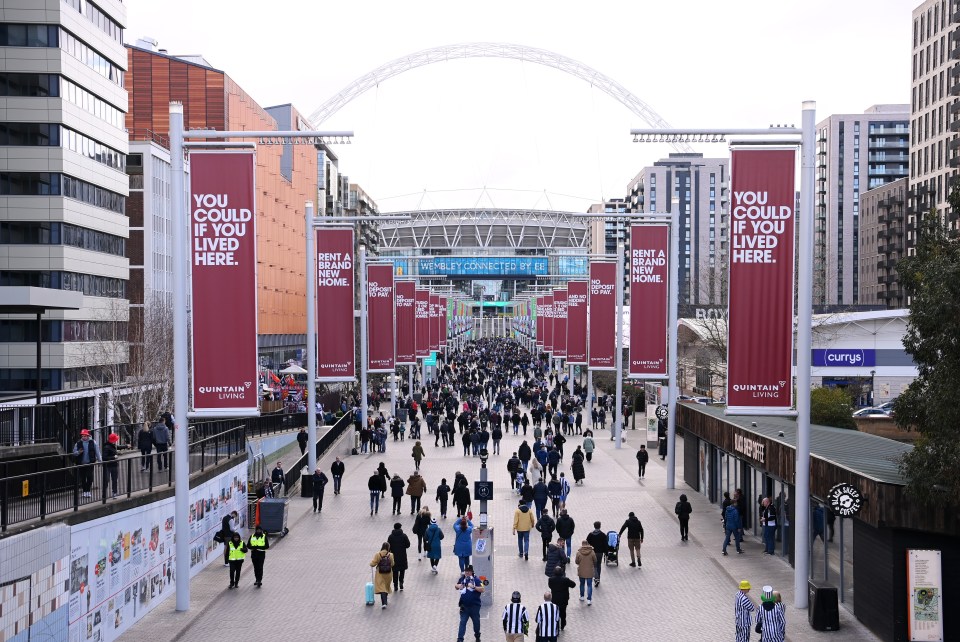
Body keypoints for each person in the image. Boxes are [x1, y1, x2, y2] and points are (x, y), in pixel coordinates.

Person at [455, 564, 484, 642]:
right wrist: (458, 586)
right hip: (464, 607)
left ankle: (477, 635)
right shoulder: (462, 579)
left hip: (474, 607)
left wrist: (474, 587)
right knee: (462, 623)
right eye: (466, 571)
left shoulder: (477, 580)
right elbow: (456, 586)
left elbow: (482, 589)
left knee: (476, 623)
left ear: (472, 572)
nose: (467, 573)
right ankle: (460, 639)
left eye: (469, 571)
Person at [72, 429, 101, 498]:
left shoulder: (93, 442)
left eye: (85, 436)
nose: (84, 437)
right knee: (83, 478)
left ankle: (88, 491)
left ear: (88, 436)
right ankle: (85, 491)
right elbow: (74, 453)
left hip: (90, 463)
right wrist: (79, 452)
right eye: (82, 436)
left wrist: (100, 461)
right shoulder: (78, 443)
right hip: (81, 463)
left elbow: (97, 452)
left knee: (89, 477)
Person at [546, 567, 576, 632]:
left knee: (555, 612)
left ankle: (556, 625)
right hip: (563, 599)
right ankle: (562, 624)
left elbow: (550, 586)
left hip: (554, 599)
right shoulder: (565, 579)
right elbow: (573, 585)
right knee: (563, 612)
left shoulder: (551, 579)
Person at [369, 542, 394, 608]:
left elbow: (373, 563)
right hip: (388, 574)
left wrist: (371, 564)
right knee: (386, 586)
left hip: (380, 573)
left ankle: (384, 603)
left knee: (381, 587)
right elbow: (392, 564)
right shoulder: (390, 555)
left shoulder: (378, 554)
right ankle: (385, 600)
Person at [387, 523, 411, 592]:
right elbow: (408, 545)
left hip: (393, 557)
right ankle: (401, 582)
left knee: (395, 571)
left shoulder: (390, 536)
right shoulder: (404, 536)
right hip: (402, 556)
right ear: (400, 528)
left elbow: (388, 547)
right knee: (402, 570)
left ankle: (395, 585)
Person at [574, 540, 597, 604]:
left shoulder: (579, 552)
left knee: (582, 584)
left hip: (581, 571)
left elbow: (576, 562)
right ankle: (589, 600)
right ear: (587, 544)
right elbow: (595, 560)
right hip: (589, 571)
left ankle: (582, 596)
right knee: (589, 585)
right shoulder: (592, 552)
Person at [585, 521, 608, 586]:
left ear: (594, 526)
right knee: (598, 565)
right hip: (600, 553)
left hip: (592, 552)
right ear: (600, 526)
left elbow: (586, 543)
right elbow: (605, 544)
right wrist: (606, 552)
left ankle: (596, 578)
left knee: (594, 566)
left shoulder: (590, 534)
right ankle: (598, 578)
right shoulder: (603, 535)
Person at [102, 433, 120, 499]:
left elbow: (118, 447)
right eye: (115, 440)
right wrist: (113, 457)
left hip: (114, 465)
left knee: (114, 479)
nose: (116, 441)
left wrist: (126, 446)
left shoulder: (112, 445)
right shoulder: (107, 447)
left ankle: (114, 492)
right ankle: (105, 494)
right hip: (108, 466)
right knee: (107, 480)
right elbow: (104, 457)